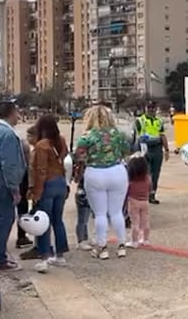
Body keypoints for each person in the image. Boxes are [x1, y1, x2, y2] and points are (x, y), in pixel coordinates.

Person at [74, 105, 130, 260]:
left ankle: (102, 246)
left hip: (96, 173)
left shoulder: (88, 136)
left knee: (100, 213)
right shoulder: (118, 134)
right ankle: (121, 245)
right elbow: (127, 151)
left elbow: (78, 156)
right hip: (117, 172)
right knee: (117, 211)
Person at [0, 101, 27, 271]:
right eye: (17, 112)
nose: (18, 116)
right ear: (11, 112)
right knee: (5, 219)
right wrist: (15, 188)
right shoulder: (8, 135)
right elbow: (9, 164)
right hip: (3, 184)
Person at [28, 115, 69, 273]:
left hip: (48, 184)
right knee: (58, 220)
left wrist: (36, 191)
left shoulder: (41, 145)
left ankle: (44, 257)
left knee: (44, 221)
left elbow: (41, 170)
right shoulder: (61, 141)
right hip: (60, 182)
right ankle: (60, 255)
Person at [133, 101, 169, 204]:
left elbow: (162, 135)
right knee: (146, 173)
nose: (152, 110)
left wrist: (166, 150)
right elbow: (137, 136)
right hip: (145, 148)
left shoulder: (159, 121)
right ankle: (144, 194)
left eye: (153, 108)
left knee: (156, 173)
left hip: (157, 149)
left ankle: (152, 194)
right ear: (146, 109)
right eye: (150, 108)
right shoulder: (140, 120)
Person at [125, 154, 152, 248]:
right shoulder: (147, 178)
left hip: (133, 201)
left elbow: (126, 191)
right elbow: (150, 188)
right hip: (145, 201)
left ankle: (134, 241)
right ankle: (146, 239)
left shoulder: (131, 181)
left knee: (135, 222)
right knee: (145, 221)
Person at [17, 127, 36, 255]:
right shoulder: (24, 145)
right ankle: (21, 236)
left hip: (16, 177)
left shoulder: (21, 143)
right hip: (22, 178)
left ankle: (21, 235)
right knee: (22, 209)